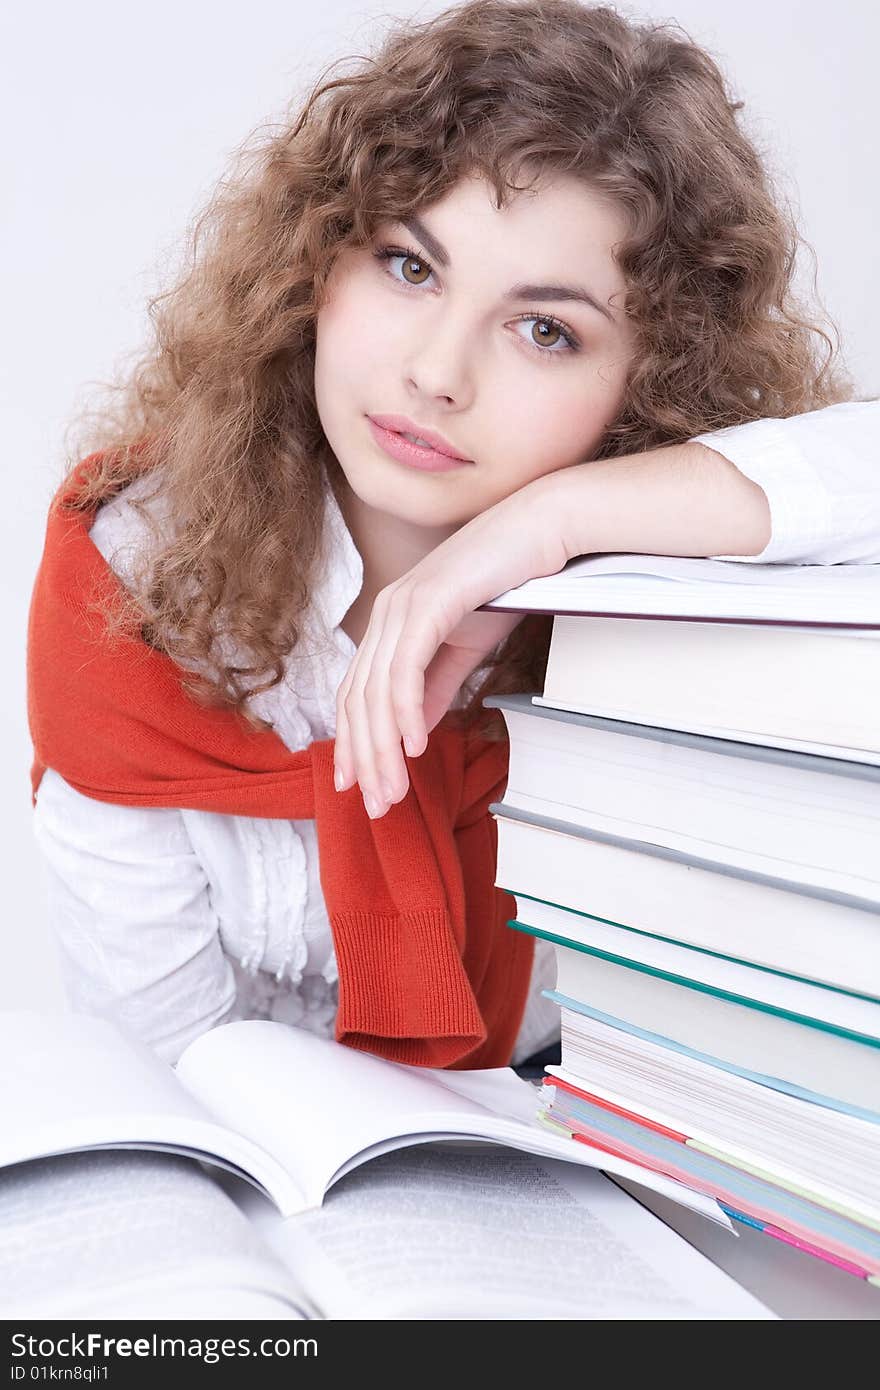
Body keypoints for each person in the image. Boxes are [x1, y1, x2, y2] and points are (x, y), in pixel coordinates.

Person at [27, 0, 879, 1071]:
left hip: (591, 1165)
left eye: (546, 330)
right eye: (409, 266)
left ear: (647, 385)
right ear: (315, 262)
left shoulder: (657, 578)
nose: (437, 373)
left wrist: (545, 525)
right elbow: (168, 1077)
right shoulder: (136, 578)